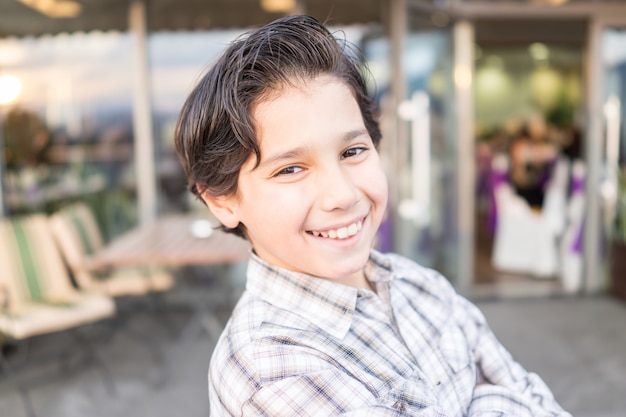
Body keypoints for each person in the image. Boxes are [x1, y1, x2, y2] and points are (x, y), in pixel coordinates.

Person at [174, 15, 571, 417]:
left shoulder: (419, 286)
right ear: (222, 201)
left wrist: (485, 401)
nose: (343, 195)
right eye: (290, 169)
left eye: (352, 152)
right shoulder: (269, 370)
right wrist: (489, 398)